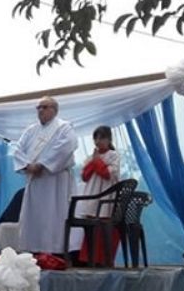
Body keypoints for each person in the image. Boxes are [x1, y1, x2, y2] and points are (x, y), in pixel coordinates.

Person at [13, 96, 78, 254]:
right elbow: (17, 149)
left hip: (55, 180)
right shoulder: (30, 130)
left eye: (45, 107)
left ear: (54, 110)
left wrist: (42, 164)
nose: (40, 110)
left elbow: (66, 147)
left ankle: (56, 250)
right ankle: (33, 249)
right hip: (35, 180)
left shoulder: (64, 128)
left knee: (55, 214)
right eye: (38, 107)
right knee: (35, 216)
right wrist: (28, 165)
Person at [77, 126, 120, 265]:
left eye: (102, 138)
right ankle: (89, 259)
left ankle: (105, 260)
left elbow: (108, 174)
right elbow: (85, 176)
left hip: (106, 197)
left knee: (104, 228)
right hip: (92, 195)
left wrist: (97, 162)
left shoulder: (113, 155)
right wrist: (94, 161)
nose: (98, 141)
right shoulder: (91, 157)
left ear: (109, 139)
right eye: (96, 138)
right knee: (91, 228)